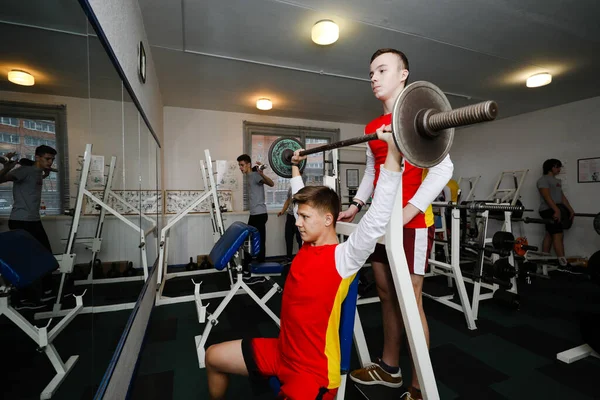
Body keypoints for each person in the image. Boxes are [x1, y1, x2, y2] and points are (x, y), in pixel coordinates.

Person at [205, 126, 403, 400]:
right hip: (281, 351)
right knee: (213, 356)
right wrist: (294, 166)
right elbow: (300, 196)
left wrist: (393, 152)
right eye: (299, 216)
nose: (297, 222)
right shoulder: (309, 243)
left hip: (312, 372)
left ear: (328, 219)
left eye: (304, 218)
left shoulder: (345, 257)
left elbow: (378, 213)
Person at [340, 49, 453, 399]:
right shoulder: (372, 127)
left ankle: (420, 385)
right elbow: (375, 169)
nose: (373, 77)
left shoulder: (423, 117)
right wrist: (357, 204)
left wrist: (408, 212)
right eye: (370, 71)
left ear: (403, 74)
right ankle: (389, 368)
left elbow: (443, 169)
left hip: (414, 224)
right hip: (380, 222)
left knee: (410, 299)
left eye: (381, 70)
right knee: (386, 293)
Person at [0, 145, 58, 309]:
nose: (50, 162)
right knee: (26, 262)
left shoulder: (38, 172)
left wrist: (46, 172)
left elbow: (35, 180)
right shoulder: (24, 170)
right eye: (47, 159)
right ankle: (25, 299)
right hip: (21, 221)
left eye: (52, 159)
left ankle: (45, 291)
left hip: (33, 220)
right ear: (38, 157)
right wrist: (6, 167)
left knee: (45, 254)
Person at [237, 154, 274, 284]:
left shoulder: (254, 175)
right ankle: (248, 270)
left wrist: (261, 173)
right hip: (254, 214)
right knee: (249, 240)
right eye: (239, 165)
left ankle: (260, 274)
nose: (240, 168)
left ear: (247, 164)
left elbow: (271, 183)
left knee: (259, 242)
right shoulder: (249, 175)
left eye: (242, 165)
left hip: (260, 214)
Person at [537, 158, 575, 269]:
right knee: (558, 235)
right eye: (557, 167)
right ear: (551, 167)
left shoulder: (557, 181)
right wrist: (556, 210)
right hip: (548, 210)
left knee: (549, 234)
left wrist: (571, 210)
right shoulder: (543, 180)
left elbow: (562, 197)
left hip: (556, 208)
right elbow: (546, 196)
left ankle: (543, 263)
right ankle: (563, 264)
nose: (559, 169)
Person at [277, 186, 302, 261]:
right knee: (288, 237)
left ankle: (302, 258)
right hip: (290, 216)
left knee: (300, 239)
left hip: (298, 216)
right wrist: (282, 211)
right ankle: (289, 258)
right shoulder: (291, 187)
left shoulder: (302, 185)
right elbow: (288, 200)